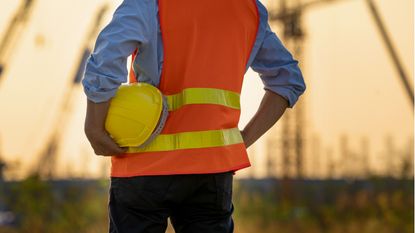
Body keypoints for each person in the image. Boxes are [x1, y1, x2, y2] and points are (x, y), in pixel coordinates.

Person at [82, 0, 306, 232]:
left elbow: (106, 58)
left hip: (143, 163)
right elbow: (288, 80)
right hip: (210, 171)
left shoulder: (149, 3)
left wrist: (94, 127)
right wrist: (243, 140)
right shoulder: (248, 8)